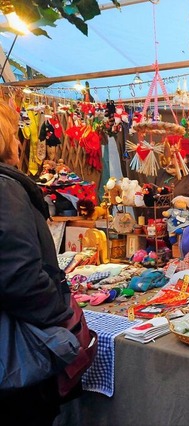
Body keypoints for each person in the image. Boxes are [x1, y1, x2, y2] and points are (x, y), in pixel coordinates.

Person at [0, 99, 73, 423]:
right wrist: (61, 313)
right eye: (15, 134)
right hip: (15, 359)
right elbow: (18, 275)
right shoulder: (4, 189)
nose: (20, 142)